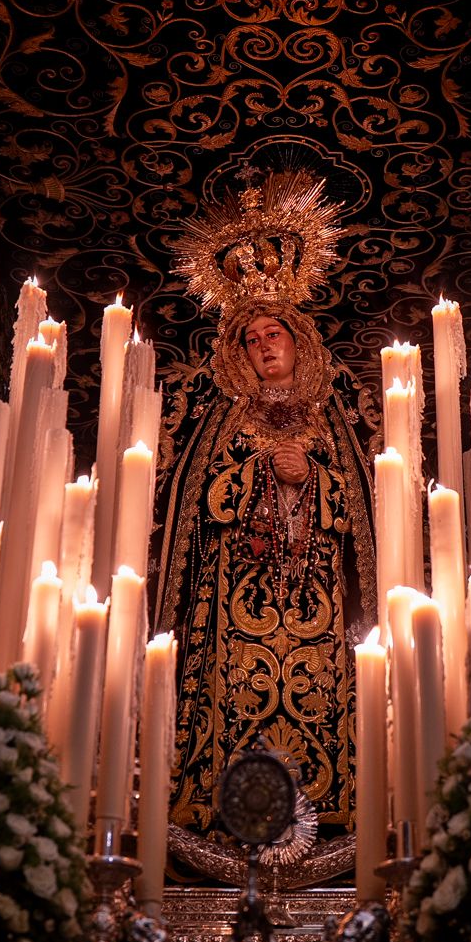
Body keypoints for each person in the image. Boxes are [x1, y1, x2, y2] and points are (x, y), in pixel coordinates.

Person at [154, 172, 376, 855]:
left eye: (274, 332)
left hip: (317, 606)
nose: (263, 346)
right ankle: (217, 805)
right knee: (231, 698)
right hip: (231, 606)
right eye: (250, 339)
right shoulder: (219, 414)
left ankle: (329, 809)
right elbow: (195, 512)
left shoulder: (334, 411)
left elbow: (361, 515)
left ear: (298, 338)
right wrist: (256, 472)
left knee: (321, 696)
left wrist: (312, 479)